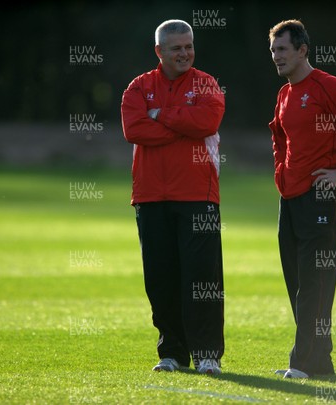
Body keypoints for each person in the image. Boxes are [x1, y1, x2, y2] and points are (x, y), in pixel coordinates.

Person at [268, 20, 336, 379]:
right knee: (296, 278)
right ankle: (319, 360)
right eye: (273, 50)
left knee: (315, 279)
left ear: (302, 50)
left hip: (322, 196)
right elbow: (280, 136)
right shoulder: (285, 93)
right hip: (291, 196)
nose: (276, 56)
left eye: (282, 49)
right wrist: (281, 173)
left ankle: (302, 360)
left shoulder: (330, 87)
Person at [121, 19, 225, 374]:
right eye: (177, 48)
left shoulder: (207, 83)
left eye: (189, 46)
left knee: (203, 279)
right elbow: (133, 129)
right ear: (159, 52)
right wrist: (181, 126)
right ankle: (173, 354)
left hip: (199, 194)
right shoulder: (138, 87)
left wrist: (161, 116)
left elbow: (207, 122)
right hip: (150, 196)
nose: (185, 53)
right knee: (161, 279)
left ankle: (208, 354)